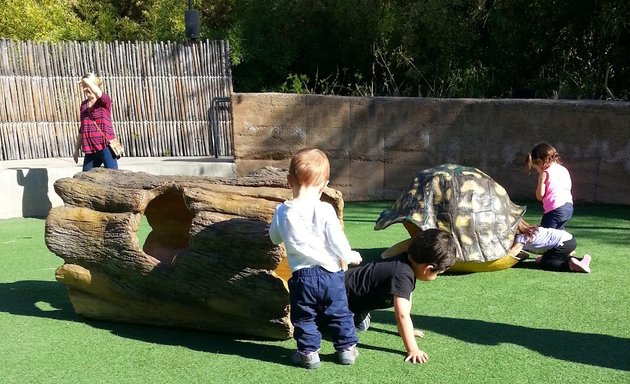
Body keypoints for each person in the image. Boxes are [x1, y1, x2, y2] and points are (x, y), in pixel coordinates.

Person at [269, 148, 363, 369]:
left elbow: (274, 238)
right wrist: (349, 256)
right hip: (331, 274)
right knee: (340, 312)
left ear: (288, 180)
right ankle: (347, 349)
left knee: (304, 317)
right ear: (324, 185)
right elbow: (336, 239)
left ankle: (309, 353)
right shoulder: (325, 209)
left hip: (302, 277)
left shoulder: (282, 211)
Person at [345, 228, 457, 364]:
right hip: (339, 298)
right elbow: (402, 315)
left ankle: (355, 313)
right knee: (342, 328)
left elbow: (406, 300)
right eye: (438, 273)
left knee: (361, 326)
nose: (437, 276)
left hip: (356, 297)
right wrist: (413, 349)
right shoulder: (402, 275)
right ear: (427, 268)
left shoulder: (406, 262)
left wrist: (406, 329)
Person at [72, 73, 119, 171]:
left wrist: (88, 82)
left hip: (105, 147)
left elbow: (98, 93)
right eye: (84, 87)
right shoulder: (84, 105)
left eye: (87, 86)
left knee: (113, 177)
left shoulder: (104, 101)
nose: (85, 89)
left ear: (95, 85)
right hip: (90, 149)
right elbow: (82, 129)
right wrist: (76, 149)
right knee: (85, 179)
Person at [509, 219, 592, 273]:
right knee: (540, 260)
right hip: (568, 240)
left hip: (564, 243)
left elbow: (512, 254)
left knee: (548, 263)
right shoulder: (530, 230)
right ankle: (581, 260)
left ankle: (570, 266)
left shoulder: (521, 238)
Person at [525, 142, 573, 229]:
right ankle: (567, 242)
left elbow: (540, 196)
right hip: (568, 207)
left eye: (536, 168)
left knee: (545, 235)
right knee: (558, 236)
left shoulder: (544, 173)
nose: (537, 171)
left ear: (540, 162)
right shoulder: (563, 169)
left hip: (554, 209)